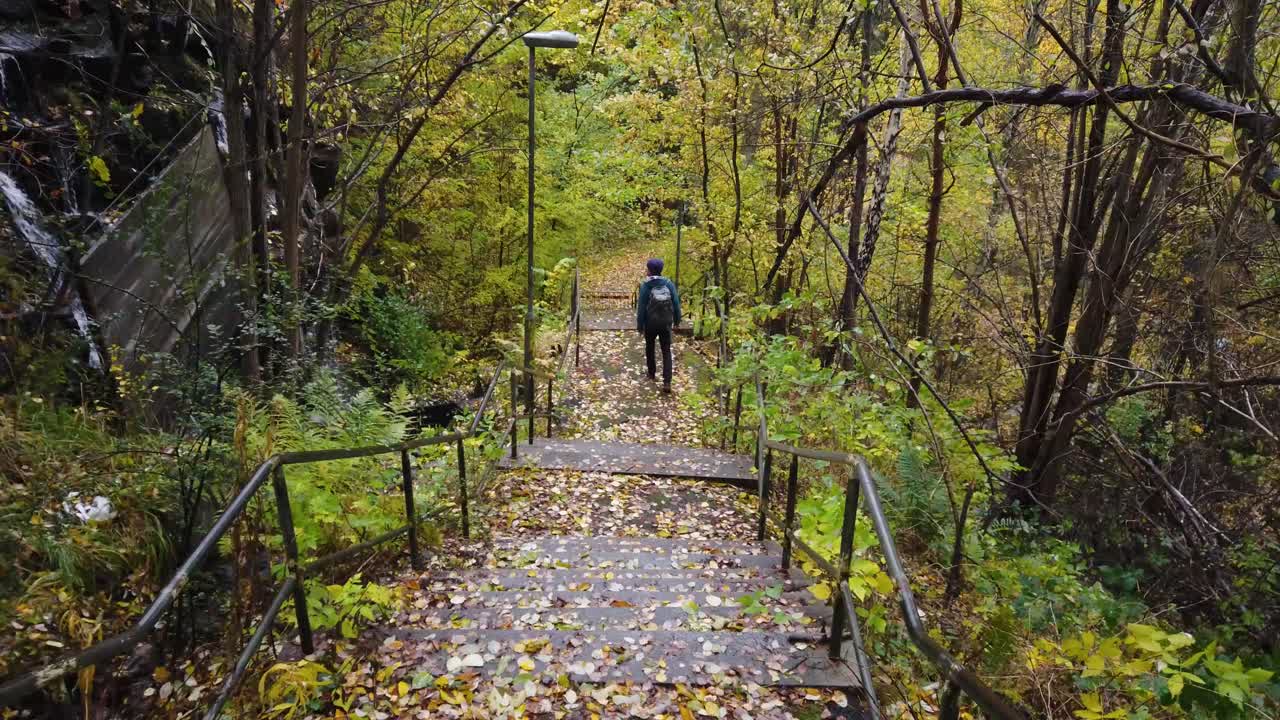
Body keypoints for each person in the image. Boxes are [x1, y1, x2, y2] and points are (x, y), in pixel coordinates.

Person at [636, 258, 681, 393]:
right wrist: (677, 320)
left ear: (649, 270)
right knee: (666, 351)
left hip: (650, 323)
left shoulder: (646, 285)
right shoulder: (668, 284)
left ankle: (651, 373)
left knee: (650, 347)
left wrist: (640, 325)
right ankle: (667, 382)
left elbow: (641, 308)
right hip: (666, 323)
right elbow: (676, 303)